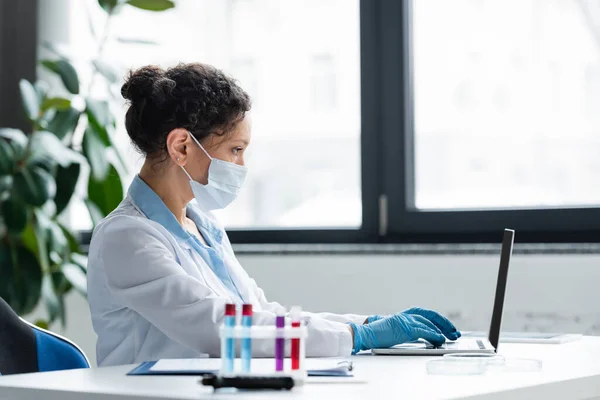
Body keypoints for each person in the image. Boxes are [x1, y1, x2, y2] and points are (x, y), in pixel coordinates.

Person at [87, 63, 461, 367]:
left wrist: (363, 324)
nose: (242, 165)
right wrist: (357, 339)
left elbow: (262, 314)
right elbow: (223, 328)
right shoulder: (128, 237)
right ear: (182, 146)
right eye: (235, 150)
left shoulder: (203, 227)